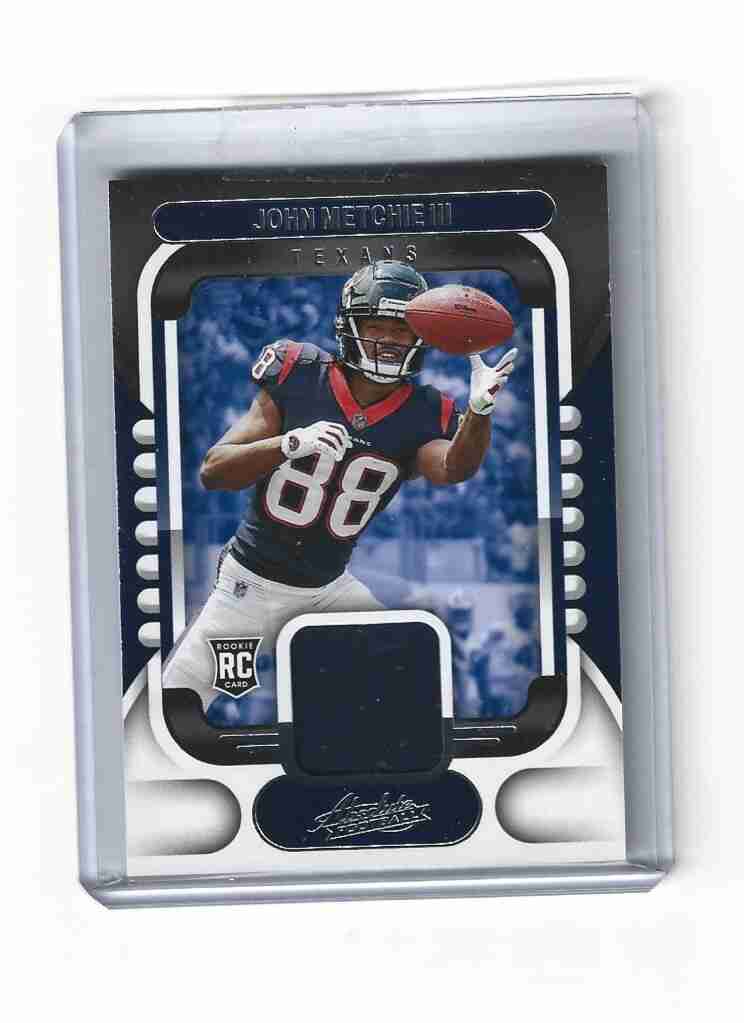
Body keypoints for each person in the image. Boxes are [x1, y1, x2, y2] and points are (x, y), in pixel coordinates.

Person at [163, 260, 517, 725]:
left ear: (421, 337)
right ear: (350, 327)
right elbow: (214, 470)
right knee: (176, 709)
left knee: (413, 688)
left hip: (329, 591)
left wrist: (479, 410)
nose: (389, 341)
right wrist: (289, 444)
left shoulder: (425, 410)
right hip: (249, 588)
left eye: (402, 330)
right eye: (376, 327)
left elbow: (454, 468)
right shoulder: (300, 373)